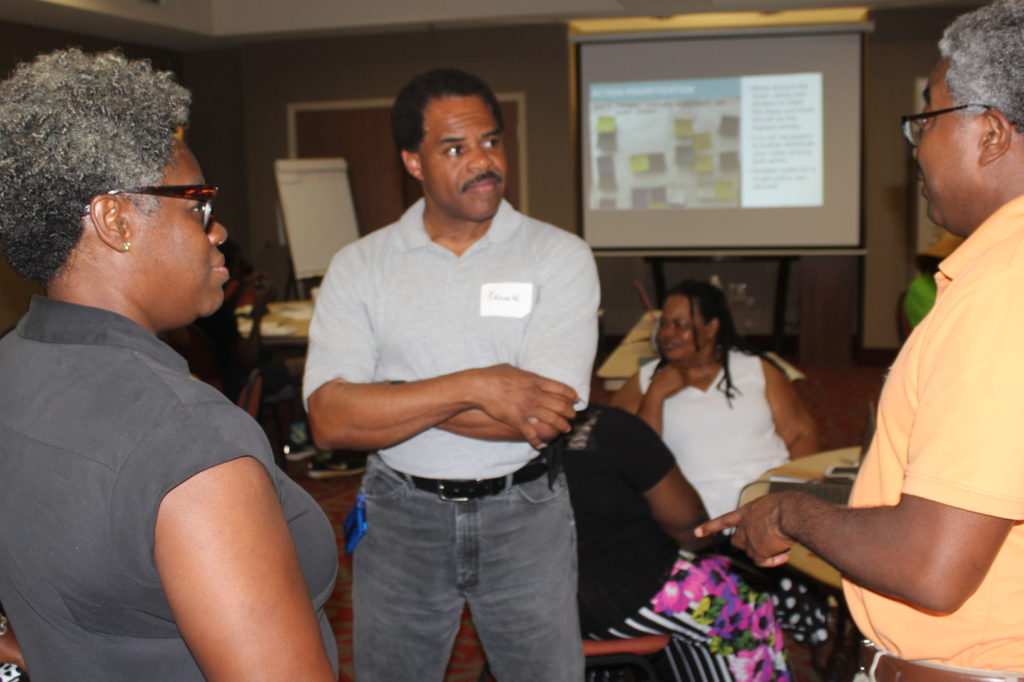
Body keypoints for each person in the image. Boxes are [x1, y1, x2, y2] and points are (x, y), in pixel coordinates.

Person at [698, 1, 1024, 677]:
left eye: (928, 118)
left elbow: (930, 566)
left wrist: (792, 512)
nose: (915, 144)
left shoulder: (1003, 292)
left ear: (991, 134)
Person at [0, 49, 338, 680]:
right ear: (115, 221)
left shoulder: (13, 366)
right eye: (197, 205)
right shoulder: (187, 437)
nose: (217, 230)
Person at [303, 68, 599, 681]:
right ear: (413, 161)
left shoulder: (559, 255)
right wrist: (479, 384)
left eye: (491, 141)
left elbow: (544, 417)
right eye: (456, 148)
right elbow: (330, 422)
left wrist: (386, 403)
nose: (483, 162)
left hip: (526, 513)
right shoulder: (359, 266)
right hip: (399, 518)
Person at [562, 405, 791, 681]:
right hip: (614, 597)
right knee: (743, 594)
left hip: (533, 605)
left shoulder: (505, 438)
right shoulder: (605, 426)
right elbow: (687, 522)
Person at [613, 279, 819, 519]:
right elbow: (630, 457)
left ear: (711, 328)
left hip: (767, 509)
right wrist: (655, 396)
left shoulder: (756, 370)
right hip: (690, 519)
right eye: (664, 324)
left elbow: (801, 433)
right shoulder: (643, 382)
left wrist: (797, 498)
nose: (667, 334)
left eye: (680, 325)